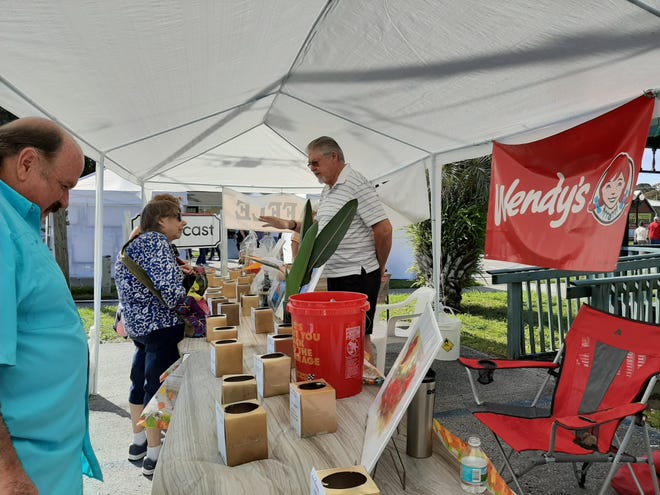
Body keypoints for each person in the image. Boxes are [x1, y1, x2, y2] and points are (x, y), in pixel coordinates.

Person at [0, 117, 102, 494]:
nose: (65, 201)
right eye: (63, 186)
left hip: (44, 459)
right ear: (26, 162)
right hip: (23, 469)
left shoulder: (15, 220)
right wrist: (7, 471)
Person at [259, 136, 392, 360]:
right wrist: (289, 225)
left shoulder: (355, 184)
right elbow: (320, 230)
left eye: (315, 162)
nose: (312, 168)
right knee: (345, 334)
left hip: (357, 274)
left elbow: (384, 229)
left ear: (334, 156)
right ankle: (351, 380)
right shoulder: (330, 189)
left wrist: (379, 267)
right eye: (309, 164)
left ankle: (369, 387)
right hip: (338, 273)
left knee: (359, 336)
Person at [114, 199, 188, 476]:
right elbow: (171, 293)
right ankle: (155, 457)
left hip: (139, 327)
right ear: (161, 221)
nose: (182, 223)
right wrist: (189, 295)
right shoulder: (156, 242)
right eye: (177, 217)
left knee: (139, 383)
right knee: (158, 389)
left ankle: (139, 442)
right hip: (161, 325)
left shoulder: (133, 244)